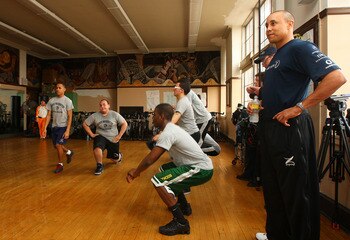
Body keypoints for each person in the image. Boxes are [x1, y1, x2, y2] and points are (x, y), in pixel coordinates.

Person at [250, 10, 347, 240]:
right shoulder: (277, 58)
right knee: (274, 191)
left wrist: (299, 107)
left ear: (290, 24)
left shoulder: (300, 48)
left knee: (296, 193)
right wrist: (261, 95)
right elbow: (283, 89)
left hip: (290, 130)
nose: (268, 29)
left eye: (273, 23)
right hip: (271, 128)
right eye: (266, 25)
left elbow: (337, 77)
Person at [126, 103, 213, 236]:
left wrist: (136, 172)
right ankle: (184, 206)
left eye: (154, 115)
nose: (152, 118)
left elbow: (151, 159)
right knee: (163, 169)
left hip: (201, 169)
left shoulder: (169, 132)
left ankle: (181, 223)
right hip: (191, 164)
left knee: (158, 180)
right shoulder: (171, 128)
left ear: (162, 116)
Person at [83, 99, 128, 175]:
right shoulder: (95, 115)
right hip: (101, 136)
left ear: (108, 105)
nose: (102, 106)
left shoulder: (114, 114)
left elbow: (124, 124)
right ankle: (99, 165)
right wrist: (91, 134)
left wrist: (119, 136)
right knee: (97, 147)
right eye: (100, 105)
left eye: (104, 104)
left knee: (114, 159)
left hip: (113, 138)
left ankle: (119, 156)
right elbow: (85, 124)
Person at [43, 83, 74, 174]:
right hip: (54, 127)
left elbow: (70, 116)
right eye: (56, 88)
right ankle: (69, 152)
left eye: (60, 88)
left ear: (64, 89)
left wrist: (68, 130)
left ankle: (60, 164)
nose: (57, 89)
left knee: (58, 145)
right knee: (56, 146)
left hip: (63, 127)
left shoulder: (68, 101)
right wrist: (44, 128)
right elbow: (48, 115)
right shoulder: (51, 100)